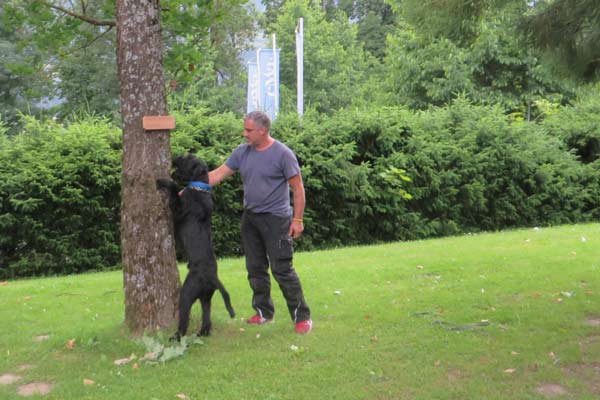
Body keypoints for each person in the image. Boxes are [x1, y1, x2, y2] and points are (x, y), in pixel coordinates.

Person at [209, 111, 312, 334]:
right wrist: (190, 188)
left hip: (276, 220)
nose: (244, 134)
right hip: (251, 219)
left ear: (262, 131)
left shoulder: (282, 154)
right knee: (255, 268)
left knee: (282, 269)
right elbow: (217, 175)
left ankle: (301, 317)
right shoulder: (242, 152)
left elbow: (298, 188)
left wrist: (298, 219)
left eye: (248, 130)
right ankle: (264, 313)